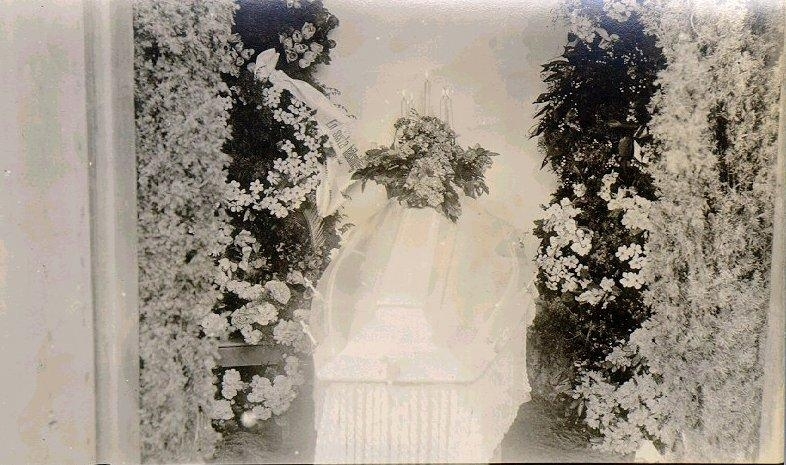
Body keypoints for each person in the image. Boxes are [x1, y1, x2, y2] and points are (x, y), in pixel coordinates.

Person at [308, 113, 536, 463]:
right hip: (391, 315)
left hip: (431, 321)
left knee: (444, 349)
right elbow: (365, 277)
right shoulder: (396, 221)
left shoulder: (447, 226)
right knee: (371, 347)